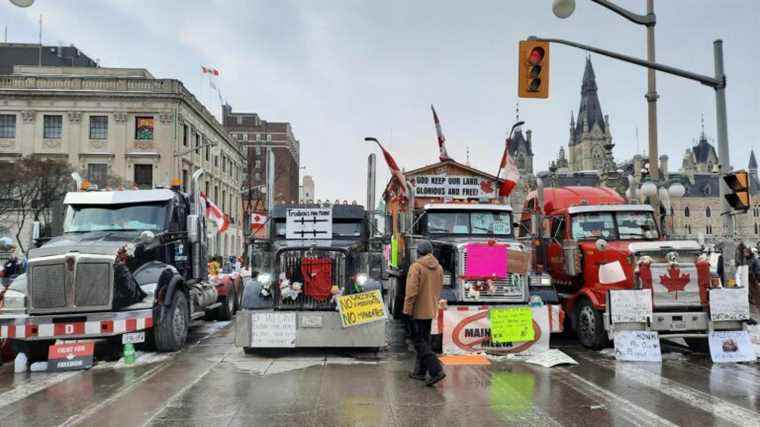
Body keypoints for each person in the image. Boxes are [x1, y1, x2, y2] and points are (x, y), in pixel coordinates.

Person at [404, 240, 446, 387]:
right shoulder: (439, 268)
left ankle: (436, 370)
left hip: (417, 311)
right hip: (430, 309)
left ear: (418, 252)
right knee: (425, 340)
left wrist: (407, 310)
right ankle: (420, 372)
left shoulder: (416, 267)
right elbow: (439, 288)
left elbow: (411, 292)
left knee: (419, 342)